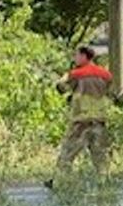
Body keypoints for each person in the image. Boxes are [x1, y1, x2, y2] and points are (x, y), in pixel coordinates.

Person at [47, 45, 113, 189]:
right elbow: (112, 92)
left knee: (67, 154)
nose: (74, 58)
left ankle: (59, 182)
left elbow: (60, 86)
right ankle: (104, 184)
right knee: (100, 157)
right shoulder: (105, 74)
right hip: (99, 120)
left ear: (84, 56)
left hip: (81, 121)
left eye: (76, 55)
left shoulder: (75, 74)